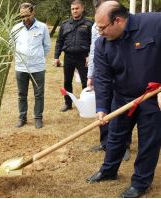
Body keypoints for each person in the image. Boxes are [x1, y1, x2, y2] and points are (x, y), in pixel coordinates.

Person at [86, 1, 161, 198]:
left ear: (118, 20)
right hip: (122, 97)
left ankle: (140, 183)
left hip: (151, 98)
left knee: (148, 141)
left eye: (102, 28)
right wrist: (102, 107)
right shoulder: (101, 43)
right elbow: (102, 78)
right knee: (115, 135)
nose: (99, 32)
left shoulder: (154, 23)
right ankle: (108, 170)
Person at [87, 0, 131, 161]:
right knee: (103, 111)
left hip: (122, 79)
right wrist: (91, 75)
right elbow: (94, 49)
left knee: (121, 115)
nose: (100, 31)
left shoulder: (119, 27)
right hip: (103, 70)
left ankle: (124, 146)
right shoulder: (98, 27)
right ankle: (106, 143)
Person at [11, 2, 51, 129]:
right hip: (21, 68)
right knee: (21, 94)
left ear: (33, 13)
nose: (25, 18)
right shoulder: (15, 28)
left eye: (27, 15)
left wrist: (37, 58)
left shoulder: (42, 27)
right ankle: (22, 118)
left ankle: (38, 118)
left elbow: (47, 46)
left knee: (39, 94)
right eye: (22, 16)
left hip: (37, 68)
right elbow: (11, 45)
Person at [54, 0, 93, 112]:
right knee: (67, 81)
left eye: (77, 8)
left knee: (86, 82)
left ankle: (86, 104)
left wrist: (90, 56)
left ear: (82, 8)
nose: (74, 11)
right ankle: (68, 103)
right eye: (73, 9)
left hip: (83, 57)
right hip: (69, 57)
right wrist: (56, 57)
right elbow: (59, 41)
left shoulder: (89, 24)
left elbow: (93, 42)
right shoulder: (65, 24)